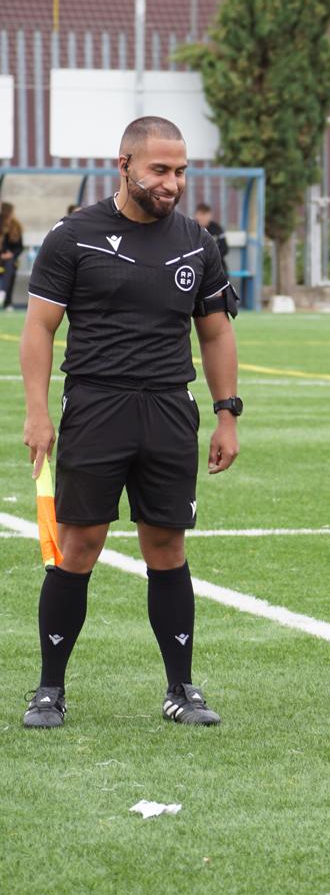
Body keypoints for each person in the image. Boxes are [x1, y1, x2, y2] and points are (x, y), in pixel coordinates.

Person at [20, 116, 241, 729]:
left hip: (170, 408)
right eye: (159, 170)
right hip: (95, 406)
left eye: (180, 171)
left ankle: (181, 688)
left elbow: (216, 331)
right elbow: (39, 328)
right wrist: (37, 415)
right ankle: (49, 690)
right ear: (125, 166)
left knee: (167, 547)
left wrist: (228, 415)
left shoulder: (198, 242)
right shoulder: (75, 236)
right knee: (79, 546)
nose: (171, 182)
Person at [0, 201, 24, 308]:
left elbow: (19, 247)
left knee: (11, 267)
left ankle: (5, 298)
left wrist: (12, 255)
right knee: (9, 267)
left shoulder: (16, 226)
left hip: (10, 259)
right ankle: (4, 294)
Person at [192, 202, 229, 267]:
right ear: (196, 215)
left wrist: (211, 258)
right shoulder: (192, 228)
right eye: (200, 214)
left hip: (216, 264)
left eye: (204, 214)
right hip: (197, 265)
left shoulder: (217, 228)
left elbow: (224, 249)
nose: (202, 217)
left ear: (209, 215)